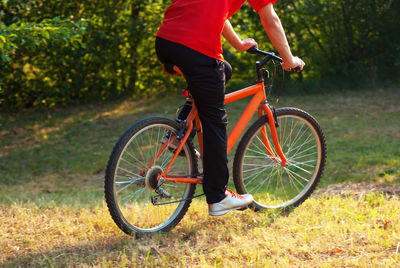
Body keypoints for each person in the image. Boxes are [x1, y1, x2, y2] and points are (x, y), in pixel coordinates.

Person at [155, 0, 305, 216]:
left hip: (167, 40)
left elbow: (215, 12)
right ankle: (218, 197)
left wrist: (238, 44)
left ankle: (178, 132)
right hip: (196, 48)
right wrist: (288, 59)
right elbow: (270, 19)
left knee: (223, 70)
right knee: (215, 120)